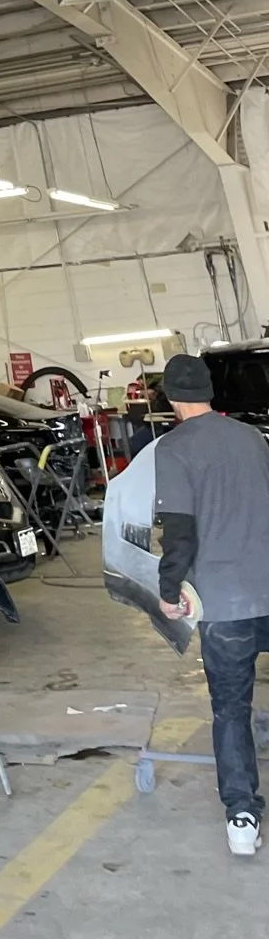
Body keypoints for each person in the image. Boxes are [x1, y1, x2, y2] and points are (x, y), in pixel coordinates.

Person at [155, 351, 269, 858]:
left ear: (170, 398)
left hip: (225, 603)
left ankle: (243, 817)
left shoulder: (173, 448)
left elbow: (179, 534)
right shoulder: (252, 438)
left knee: (230, 708)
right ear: (209, 392)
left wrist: (167, 591)